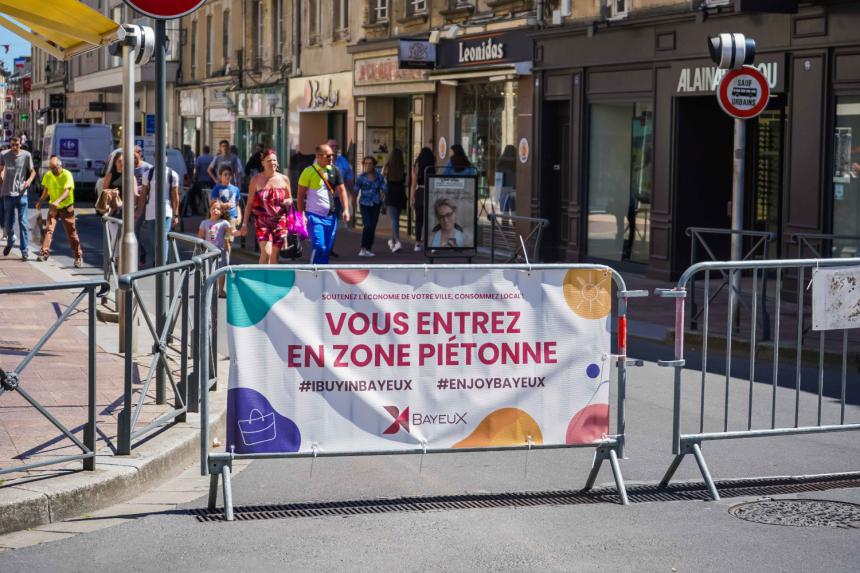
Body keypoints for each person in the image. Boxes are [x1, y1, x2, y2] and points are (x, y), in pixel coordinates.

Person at [296, 143, 350, 264]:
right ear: (318, 156)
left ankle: (323, 274)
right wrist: (301, 214)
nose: (332, 158)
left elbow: (342, 190)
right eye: (329, 156)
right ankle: (313, 271)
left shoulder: (335, 170)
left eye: (333, 155)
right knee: (319, 246)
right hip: (314, 216)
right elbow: (300, 195)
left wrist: (346, 209)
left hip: (331, 217)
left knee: (326, 249)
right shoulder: (308, 172)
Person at [236, 149, 292, 265]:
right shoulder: (256, 179)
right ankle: (261, 279)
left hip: (279, 221)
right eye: (269, 160)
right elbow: (249, 203)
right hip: (262, 222)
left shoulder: (284, 179)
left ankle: (271, 281)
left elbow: (290, 198)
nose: (272, 163)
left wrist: (287, 201)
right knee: (266, 252)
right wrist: (245, 224)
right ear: (262, 163)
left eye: (274, 160)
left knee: (275, 256)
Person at [35, 155, 83, 267]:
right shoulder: (48, 175)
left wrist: (58, 201)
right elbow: (46, 190)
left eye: (54, 168)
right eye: (50, 168)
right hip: (53, 207)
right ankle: (44, 253)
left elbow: (67, 190)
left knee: (71, 233)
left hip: (66, 207)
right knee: (48, 229)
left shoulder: (67, 175)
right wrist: (40, 202)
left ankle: (78, 256)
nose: (52, 170)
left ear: (60, 165)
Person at [137, 159, 180, 266]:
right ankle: (158, 259)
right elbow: (143, 195)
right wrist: (139, 211)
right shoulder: (148, 174)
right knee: (153, 238)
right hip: (151, 212)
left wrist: (176, 214)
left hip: (167, 211)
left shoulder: (172, 174)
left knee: (163, 237)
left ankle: (161, 264)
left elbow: (175, 196)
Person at [1, 136, 37, 260]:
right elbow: (1, 169)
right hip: (7, 193)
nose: (14, 147)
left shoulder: (26, 155)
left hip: (22, 193)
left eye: (16, 145)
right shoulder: (4, 154)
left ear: (20, 144)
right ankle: (10, 240)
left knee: (23, 222)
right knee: (7, 223)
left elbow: (33, 171)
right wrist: (1, 176)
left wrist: (28, 181)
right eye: (12, 145)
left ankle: (24, 250)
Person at [199, 201, 232, 296]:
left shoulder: (224, 223)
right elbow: (200, 237)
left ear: (221, 212)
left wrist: (239, 231)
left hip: (220, 250)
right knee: (207, 270)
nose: (215, 210)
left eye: (218, 209)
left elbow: (231, 231)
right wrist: (200, 250)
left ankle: (220, 289)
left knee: (221, 271)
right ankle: (207, 289)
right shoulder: (204, 223)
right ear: (209, 210)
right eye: (213, 208)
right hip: (208, 251)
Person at [355, 156, 386, 257]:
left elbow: (385, 188)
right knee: (367, 225)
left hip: (376, 203)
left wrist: (383, 199)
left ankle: (368, 248)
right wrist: (353, 203)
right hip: (364, 203)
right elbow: (355, 190)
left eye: (370, 163)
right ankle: (363, 248)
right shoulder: (361, 177)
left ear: (374, 165)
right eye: (365, 163)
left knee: (372, 226)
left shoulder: (379, 177)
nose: (367, 165)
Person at [410, 147, 435, 252]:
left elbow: (414, 183)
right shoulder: (433, 162)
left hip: (420, 191)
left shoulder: (417, 164)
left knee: (419, 220)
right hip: (431, 192)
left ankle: (417, 244)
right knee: (431, 220)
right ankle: (432, 244)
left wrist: (411, 197)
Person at [383, 148, 407, 253]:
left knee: (393, 219)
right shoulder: (404, 168)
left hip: (390, 194)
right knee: (396, 218)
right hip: (400, 194)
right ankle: (393, 241)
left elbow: (382, 181)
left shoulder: (386, 168)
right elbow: (406, 183)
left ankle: (397, 241)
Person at [327, 139, 354, 229]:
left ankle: (331, 238)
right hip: (324, 198)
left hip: (337, 198)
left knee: (335, 220)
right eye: (332, 146)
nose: (334, 148)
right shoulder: (319, 161)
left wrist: (353, 194)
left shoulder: (343, 161)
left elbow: (349, 179)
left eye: (336, 146)